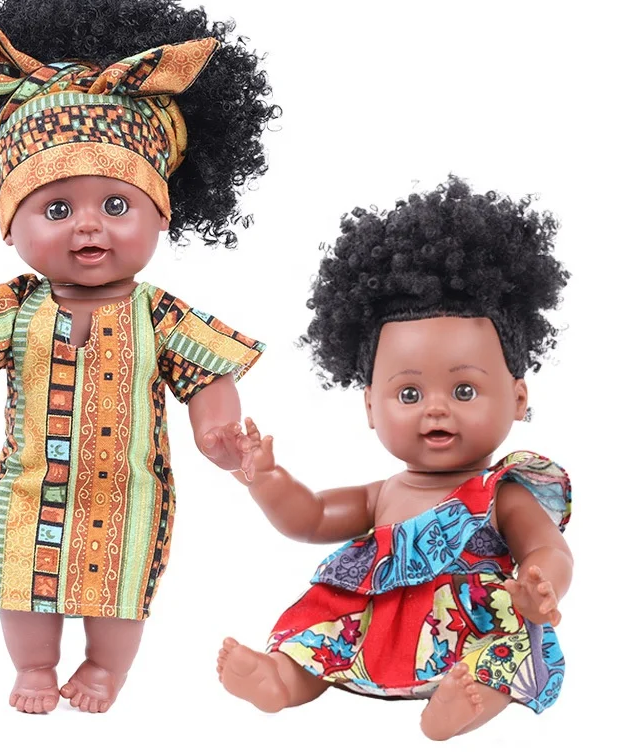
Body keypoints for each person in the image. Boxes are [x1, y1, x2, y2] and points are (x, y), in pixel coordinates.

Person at [0, 0, 276, 715]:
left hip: (128, 494)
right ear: (10, 226)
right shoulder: (15, 304)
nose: (88, 225)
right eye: (57, 208)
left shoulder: (161, 315)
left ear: (162, 217)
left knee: (120, 594)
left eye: (117, 204)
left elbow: (206, 378)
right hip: (30, 488)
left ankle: (104, 670)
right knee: (21, 585)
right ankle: (34, 667)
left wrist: (219, 435)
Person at [218, 177, 572, 741]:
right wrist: (267, 479)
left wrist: (540, 582)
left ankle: (458, 708)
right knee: (318, 636)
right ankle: (281, 679)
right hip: (375, 623)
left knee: (509, 660)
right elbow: (311, 517)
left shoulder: (502, 493)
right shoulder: (381, 493)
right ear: (370, 407)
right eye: (409, 393)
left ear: (518, 398)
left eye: (464, 390)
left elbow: (548, 548)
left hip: (471, 624)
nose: (435, 409)